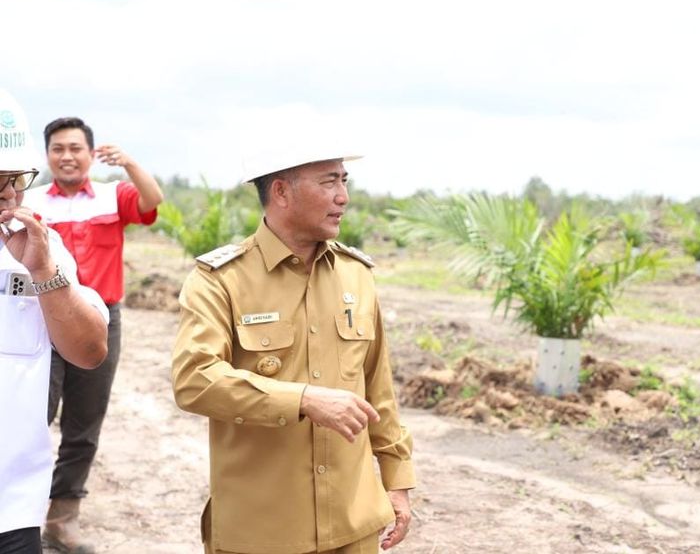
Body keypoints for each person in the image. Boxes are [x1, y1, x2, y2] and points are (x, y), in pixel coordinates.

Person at [171, 150, 415, 554]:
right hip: (261, 532)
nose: (343, 197)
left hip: (354, 526)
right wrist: (302, 399)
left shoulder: (357, 276)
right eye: (328, 182)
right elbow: (194, 379)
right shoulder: (220, 281)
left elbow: (378, 388)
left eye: (344, 180)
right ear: (281, 191)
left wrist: (397, 480)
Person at [23, 116, 164, 553]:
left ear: (90, 153)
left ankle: (62, 518)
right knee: (29, 419)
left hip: (100, 321)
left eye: (76, 148)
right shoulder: (28, 201)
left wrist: (130, 164)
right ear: (46, 156)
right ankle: (19, 515)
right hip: (38, 319)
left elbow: (151, 202)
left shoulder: (112, 195)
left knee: (84, 422)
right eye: (58, 149)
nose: (67, 156)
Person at [0, 89, 108, 554]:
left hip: (12, 507)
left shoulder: (41, 249)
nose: (8, 195)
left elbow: (88, 352)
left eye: (15, 180)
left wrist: (43, 272)